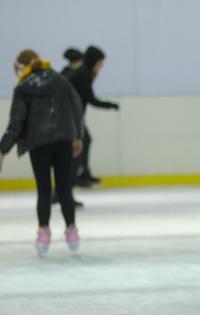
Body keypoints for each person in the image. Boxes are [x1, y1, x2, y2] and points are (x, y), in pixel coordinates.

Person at [0, 49, 84, 256]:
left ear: (21, 67)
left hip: (39, 143)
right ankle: (71, 230)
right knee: (64, 188)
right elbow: (76, 105)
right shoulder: (59, 79)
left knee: (44, 190)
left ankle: (43, 232)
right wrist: (77, 136)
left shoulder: (23, 87)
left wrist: (2, 149)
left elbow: (16, 123)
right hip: (64, 139)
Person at [68, 45, 119, 187]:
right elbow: (91, 100)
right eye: (100, 63)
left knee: (84, 142)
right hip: (70, 118)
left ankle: (79, 177)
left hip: (73, 117)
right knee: (78, 147)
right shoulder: (83, 75)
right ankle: (70, 184)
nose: (101, 66)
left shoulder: (83, 74)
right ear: (94, 61)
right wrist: (112, 105)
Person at [52, 47, 85, 208]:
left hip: (64, 122)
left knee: (67, 160)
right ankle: (63, 193)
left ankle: (60, 192)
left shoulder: (63, 75)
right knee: (69, 160)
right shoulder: (70, 77)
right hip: (68, 123)